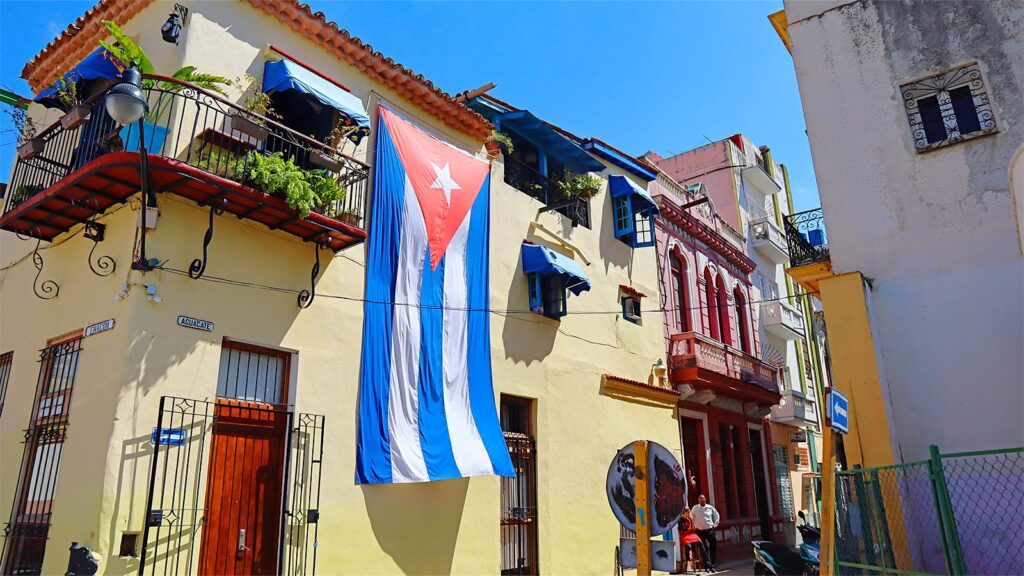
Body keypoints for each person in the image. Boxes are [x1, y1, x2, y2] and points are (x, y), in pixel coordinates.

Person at [691, 494, 720, 571]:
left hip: (710, 530)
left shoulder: (710, 507)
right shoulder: (695, 508)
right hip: (700, 531)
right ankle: (707, 565)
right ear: (698, 500)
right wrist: (693, 524)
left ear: (705, 499)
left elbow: (716, 515)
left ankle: (712, 563)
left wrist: (716, 523)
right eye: (700, 499)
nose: (701, 500)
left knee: (713, 546)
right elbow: (691, 516)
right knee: (704, 548)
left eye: (703, 498)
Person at [675, 507, 704, 573]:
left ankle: (699, 558)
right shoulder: (680, 520)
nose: (689, 513)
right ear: (684, 513)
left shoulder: (689, 519)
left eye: (689, 512)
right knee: (688, 546)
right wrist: (690, 529)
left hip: (691, 534)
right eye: (688, 512)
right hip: (684, 535)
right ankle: (688, 556)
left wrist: (692, 522)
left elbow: (693, 529)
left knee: (699, 543)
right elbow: (683, 530)